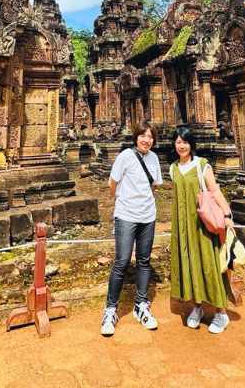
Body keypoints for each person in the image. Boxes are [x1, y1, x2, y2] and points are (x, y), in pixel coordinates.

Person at [169, 126, 235, 334]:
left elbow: (214, 191)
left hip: (201, 224)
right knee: (189, 264)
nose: (182, 146)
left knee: (208, 263)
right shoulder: (173, 169)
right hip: (182, 226)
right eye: (178, 142)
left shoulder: (202, 166)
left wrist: (226, 214)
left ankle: (221, 312)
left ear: (192, 144)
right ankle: (197, 306)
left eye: (185, 142)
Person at [101, 121, 163, 336]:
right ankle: (110, 309)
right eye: (143, 136)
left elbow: (154, 185)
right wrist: (122, 201)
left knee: (144, 261)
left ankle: (141, 305)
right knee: (122, 261)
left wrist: (144, 202)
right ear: (136, 137)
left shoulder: (154, 158)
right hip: (126, 215)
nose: (146, 140)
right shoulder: (126, 156)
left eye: (150, 136)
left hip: (148, 216)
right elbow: (112, 183)